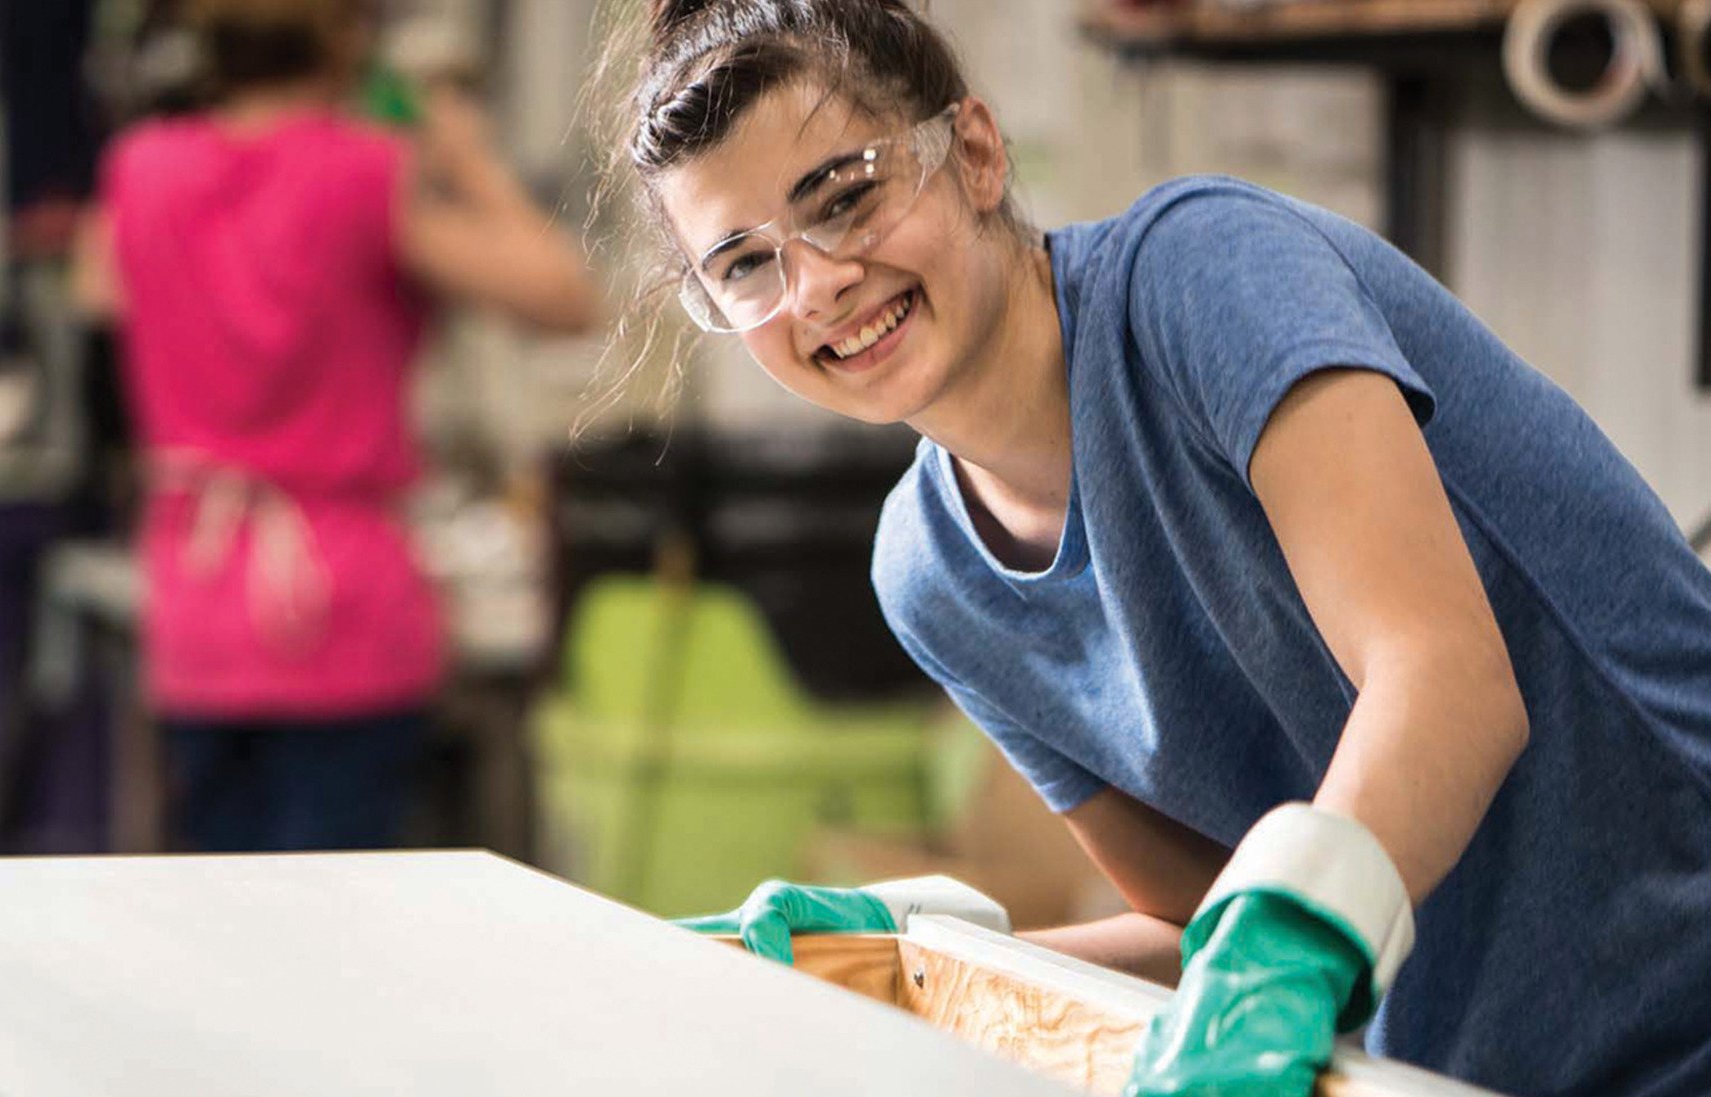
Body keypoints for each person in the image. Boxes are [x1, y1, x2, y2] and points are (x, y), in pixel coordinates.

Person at [602, 2, 1711, 1095]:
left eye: (845, 196)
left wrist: (1282, 951)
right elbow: (1206, 925)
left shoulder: (1201, 277)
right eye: (744, 266)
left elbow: (1454, 689)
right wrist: (900, 970)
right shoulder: (931, 575)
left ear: (976, 153)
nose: (817, 284)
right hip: (1472, 1068)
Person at [73, 0, 596, 853]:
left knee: (215, 916)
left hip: (196, 607)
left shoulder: (138, 171)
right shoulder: (369, 176)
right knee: (339, 937)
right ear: (351, 37)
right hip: (343, 616)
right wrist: (470, 160)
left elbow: (95, 292)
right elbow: (565, 297)